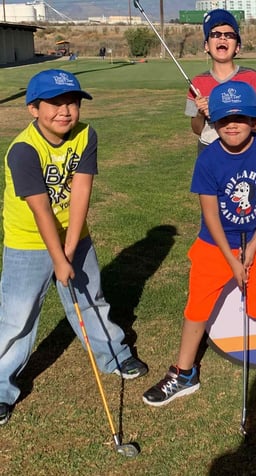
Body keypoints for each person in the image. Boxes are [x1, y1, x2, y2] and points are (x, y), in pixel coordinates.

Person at [142, 81, 256, 406]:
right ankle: (183, 373)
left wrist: (252, 248)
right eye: (223, 119)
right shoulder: (208, 160)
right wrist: (233, 259)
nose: (232, 125)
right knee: (196, 308)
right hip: (215, 245)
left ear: (253, 119)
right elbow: (209, 215)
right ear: (213, 122)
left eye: (241, 118)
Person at [0, 69, 148, 425]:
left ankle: (114, 354)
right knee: (17, 317)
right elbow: (39, 208)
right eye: (54, 103)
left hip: (73, 234)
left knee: (90, 298)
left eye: (72, 102)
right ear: (33, 108)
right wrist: (57, 257)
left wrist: (70, 248)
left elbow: (81, 191)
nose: (65, 110)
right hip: (27, 240)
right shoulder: (23, 149)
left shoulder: (85, 135)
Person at [186, 9, 256, 153]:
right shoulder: (198, 83)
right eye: (215, 34)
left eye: (229, 35)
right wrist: (200, 113)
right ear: (206, 45)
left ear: (237, 47)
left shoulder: (251, 77)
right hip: (209, 150)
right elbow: (196, 129)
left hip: (244, 150)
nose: (222, 39)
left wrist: (224, 110)